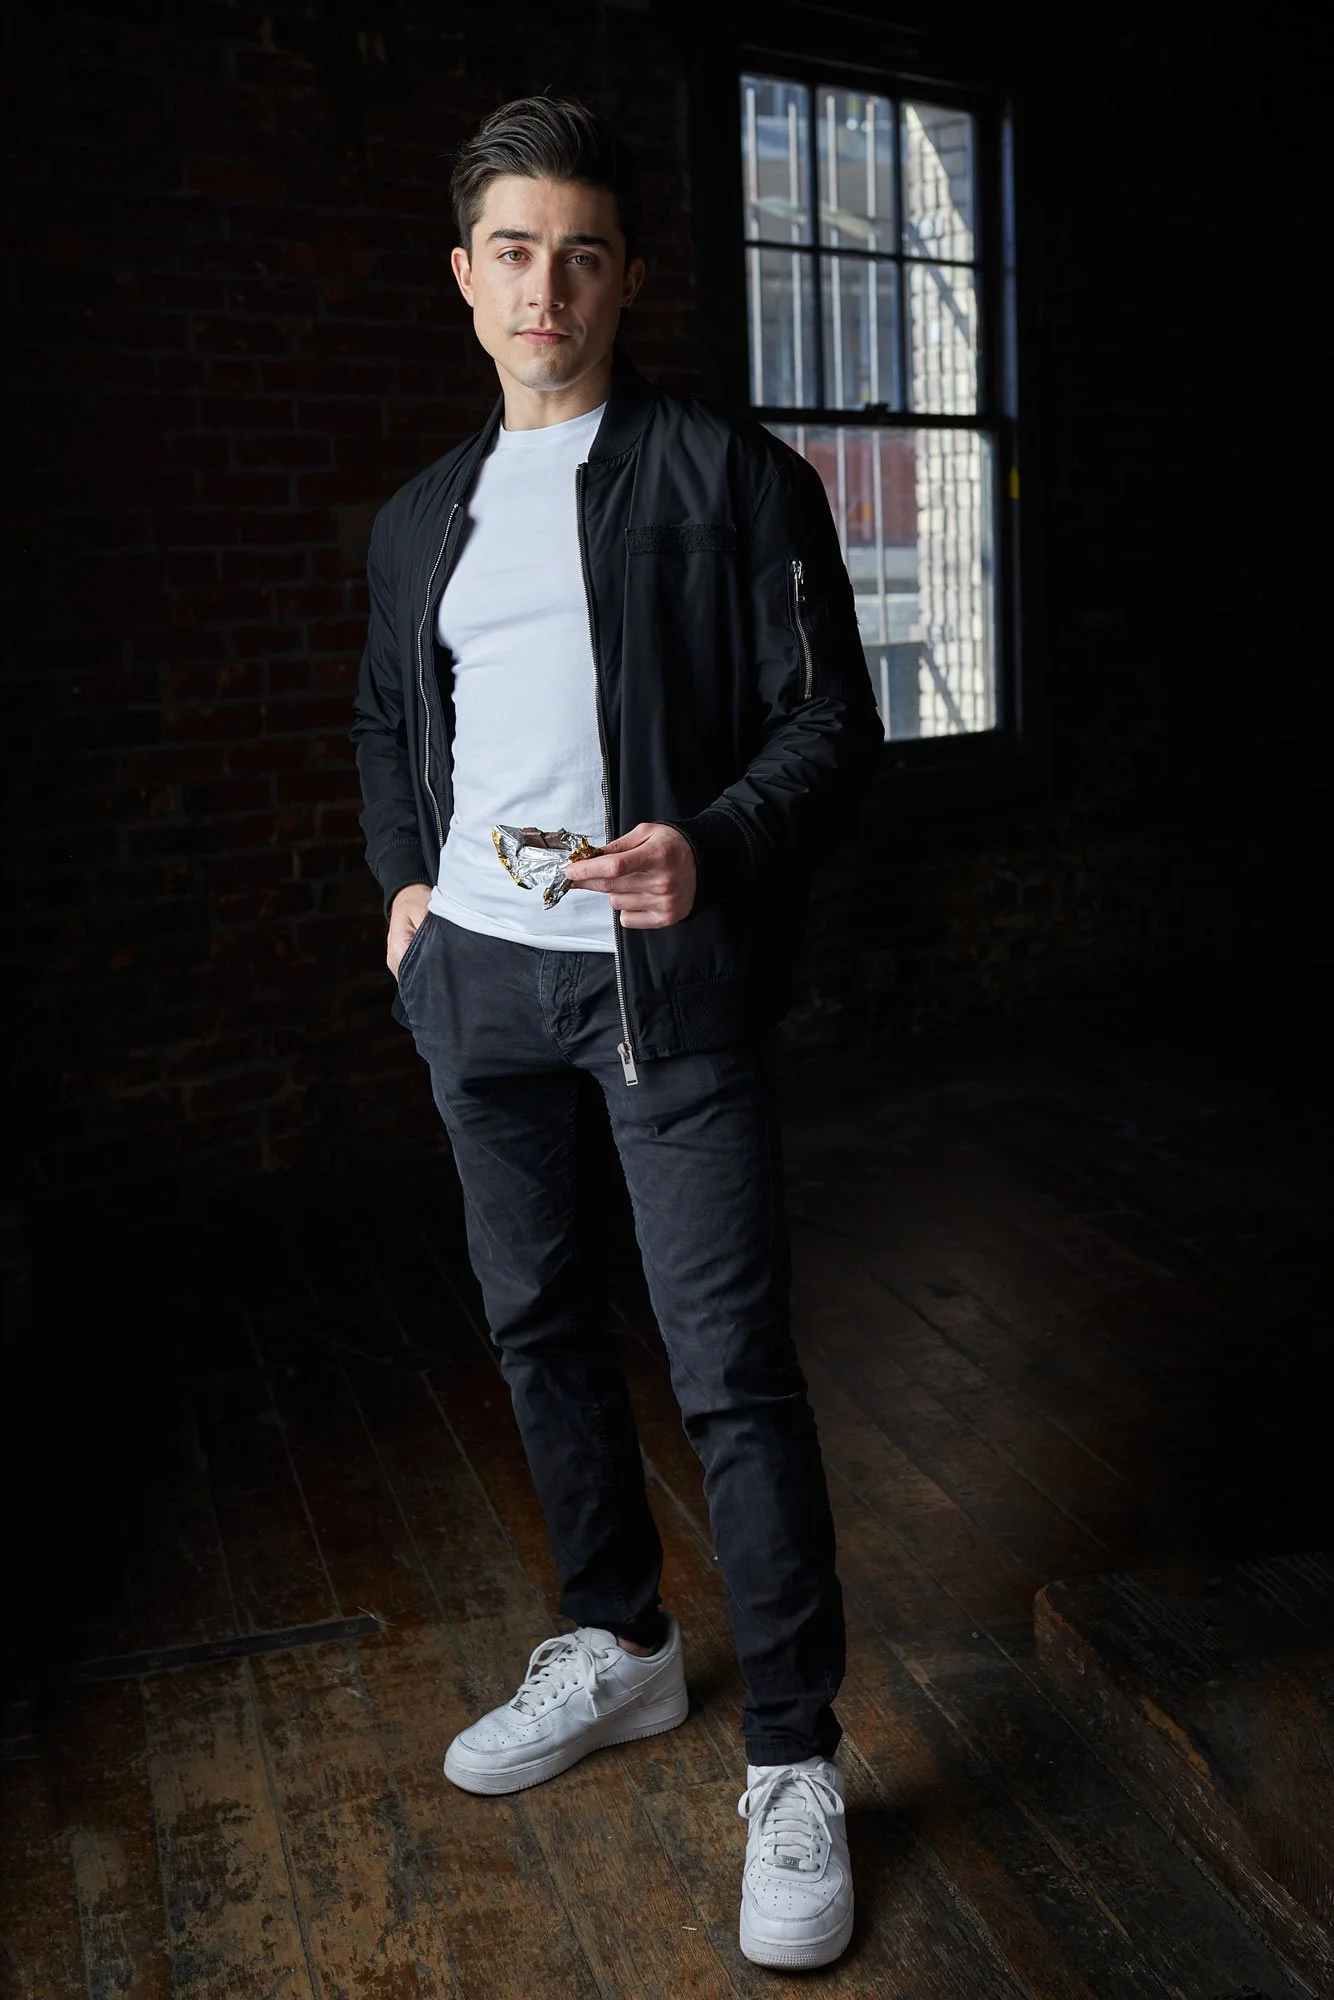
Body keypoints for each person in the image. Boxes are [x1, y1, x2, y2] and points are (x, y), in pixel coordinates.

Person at [351, 93, 882, 1971]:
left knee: (728, 1367)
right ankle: (622, 1647)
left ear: (629, 275)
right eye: (512, 250)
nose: (545, 286)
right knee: (535, 1325)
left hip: (663, 989)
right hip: (477, 989)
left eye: (582, 251)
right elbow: (385, 727)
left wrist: (709, 845)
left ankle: (798, 1755)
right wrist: (407, 900)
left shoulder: (733, 479)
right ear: (465, 278)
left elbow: (829, 727)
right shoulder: (423, 516)